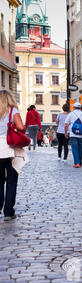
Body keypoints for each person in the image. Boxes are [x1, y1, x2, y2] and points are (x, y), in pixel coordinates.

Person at [0, 90, 27, 221]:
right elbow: (21, 127)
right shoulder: (12, 111)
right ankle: (9, 212)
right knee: (11, 181)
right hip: (10, 148)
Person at [65, 101, 82, 168]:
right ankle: (80, 163)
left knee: (74, 148)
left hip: (73, 134)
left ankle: (77, 163)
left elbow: (66, 125)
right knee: (80, 149)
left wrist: (66, 132)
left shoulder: (70, 114)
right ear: (80, 108)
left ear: (73, 107)